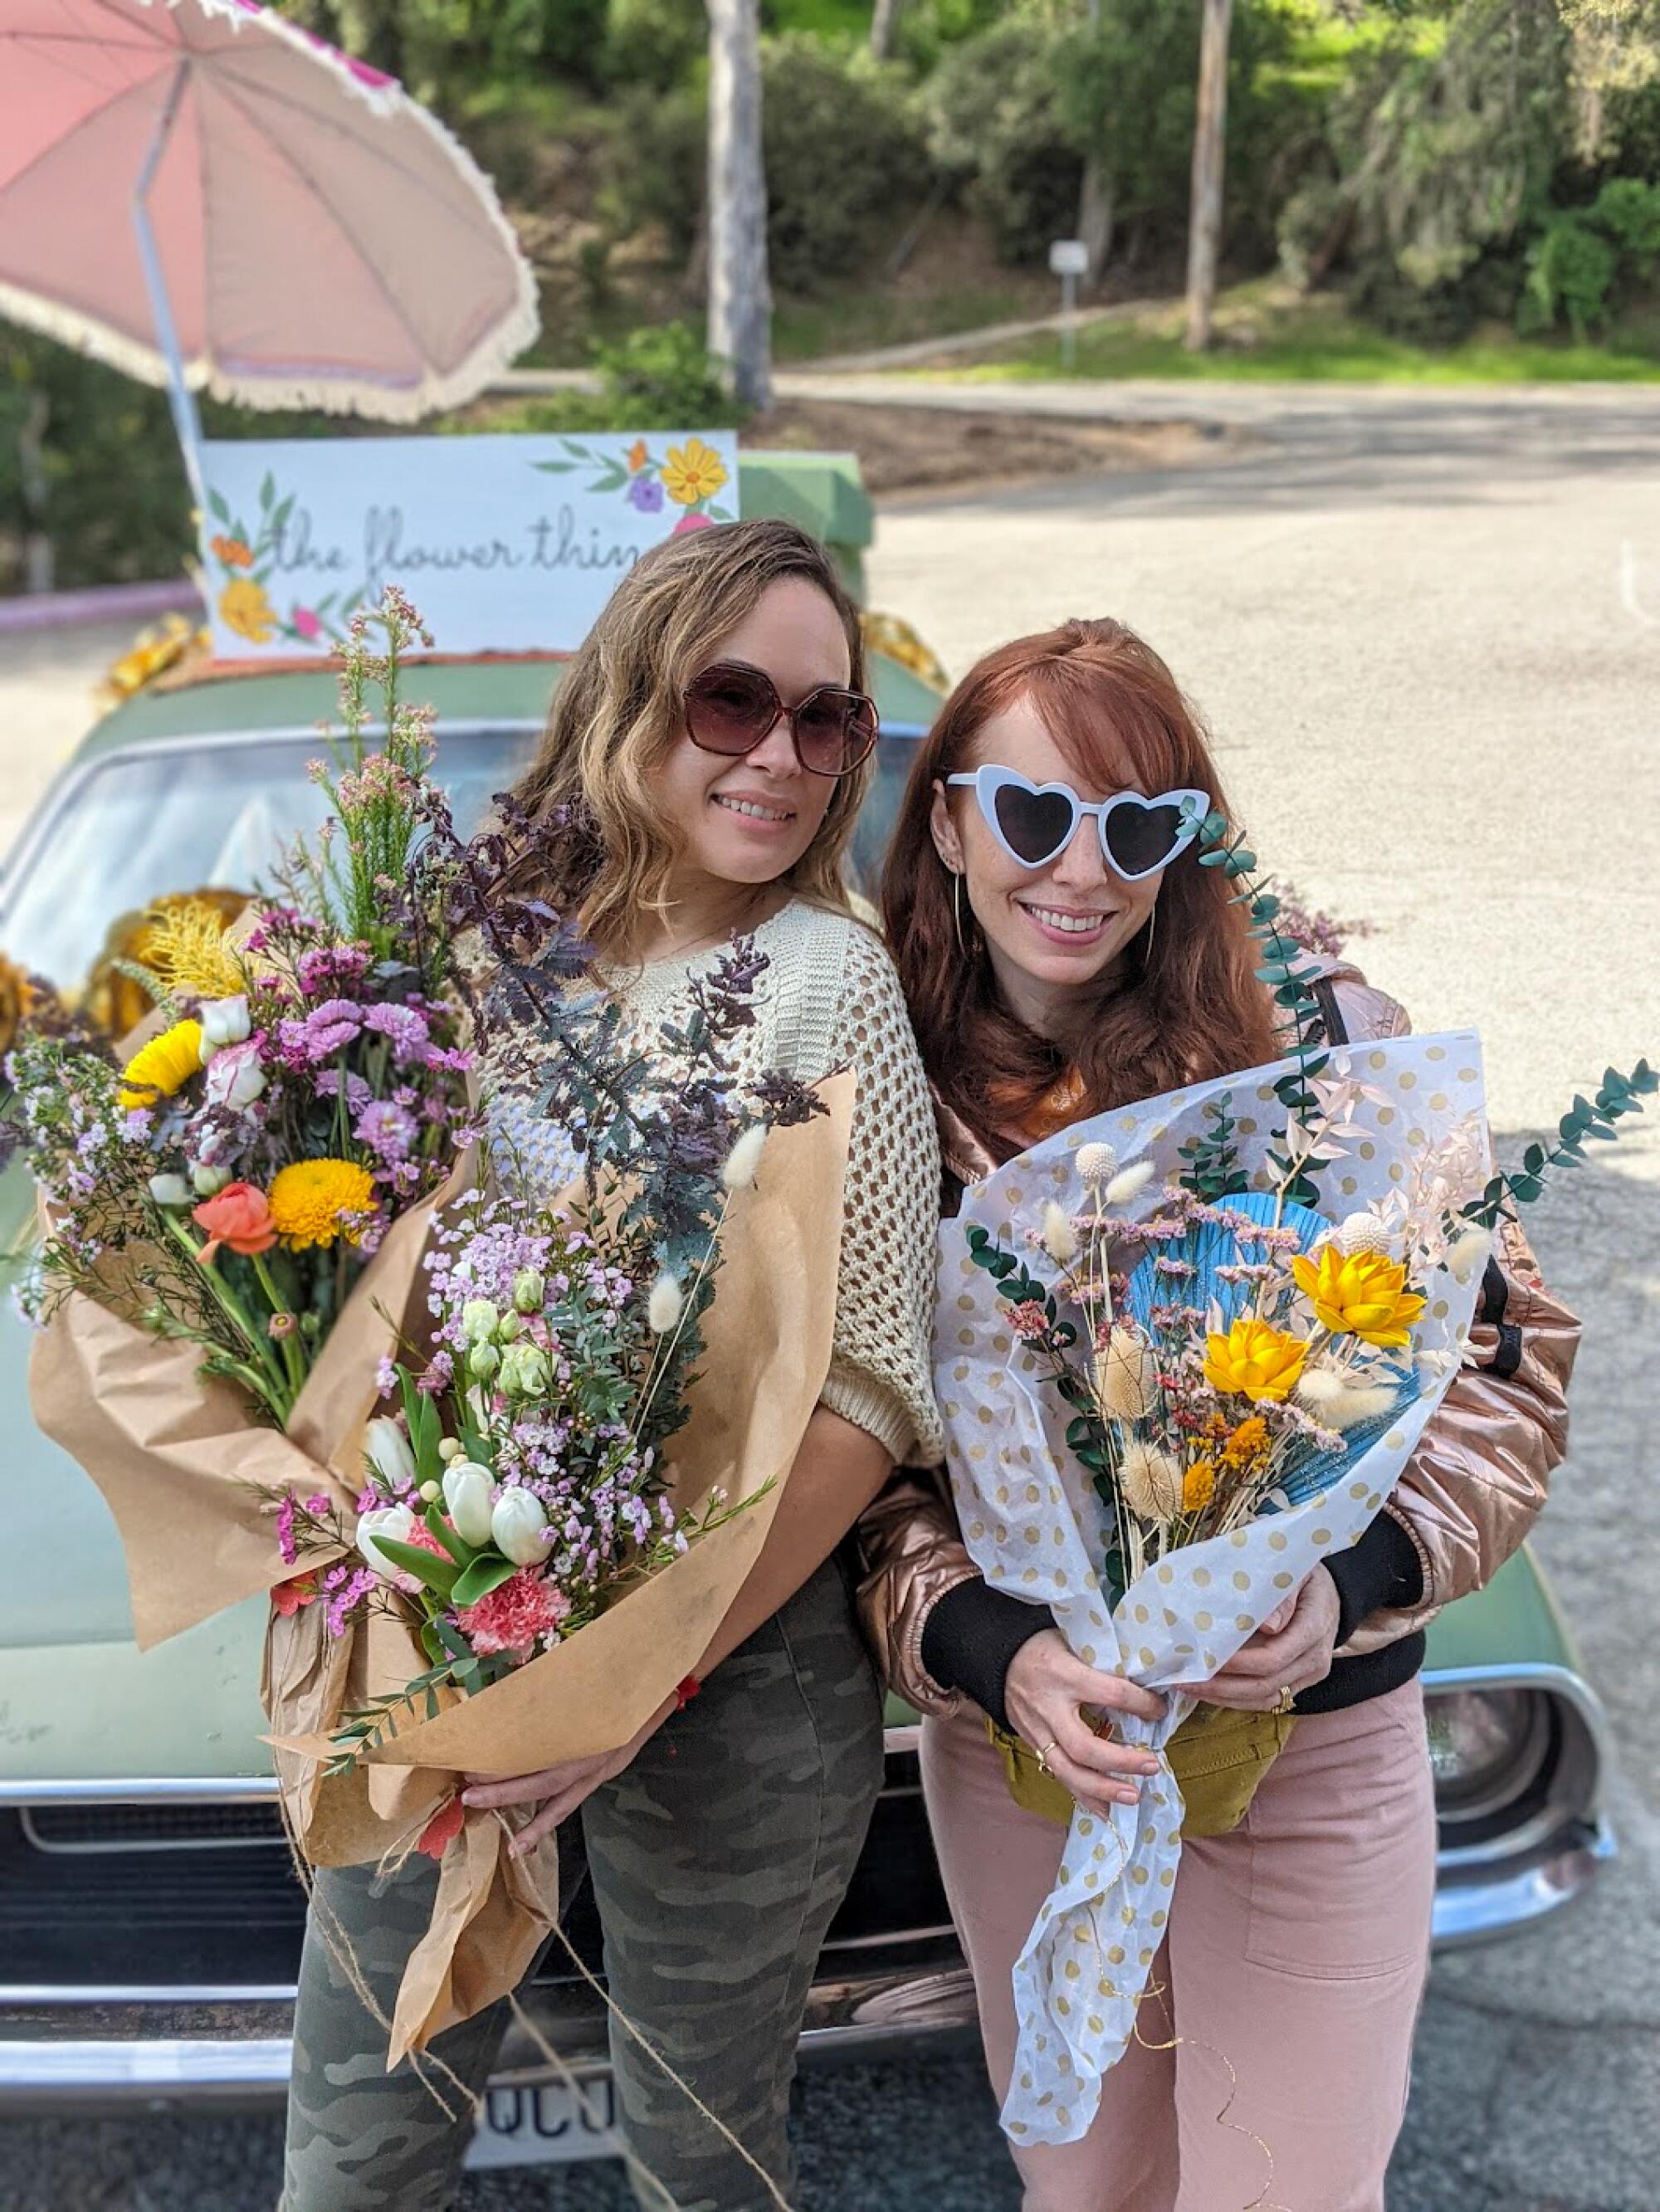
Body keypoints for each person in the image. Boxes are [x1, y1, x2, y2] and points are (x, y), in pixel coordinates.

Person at [859, 617, 1580, 2212]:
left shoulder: (1324, 1051)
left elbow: (1499, 1364)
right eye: (1037, 814)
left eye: (1138, 825)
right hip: (1040, 1754)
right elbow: (865, 1464)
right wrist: (989, 1646)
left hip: (1312, 1746)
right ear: (954, 821)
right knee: (1088, 2191)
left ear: (1189, 845)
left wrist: (1354, 1579)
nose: (1083, 871)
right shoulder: (879, 1089)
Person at [281, 520, 944, 2212]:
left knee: (699, 2164)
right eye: (733, 700)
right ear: (632, 689)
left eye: (825, 722)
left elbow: (866, 1385)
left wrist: (640, 1670)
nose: (779, 756)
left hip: (731, 1684)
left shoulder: (827, 981)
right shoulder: (475, 958)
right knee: (359, 2141)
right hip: (441, 1622)